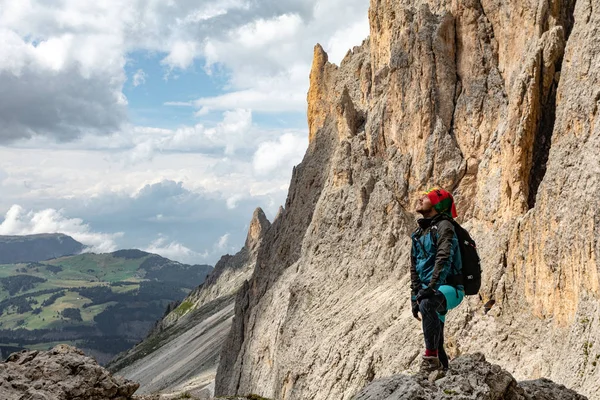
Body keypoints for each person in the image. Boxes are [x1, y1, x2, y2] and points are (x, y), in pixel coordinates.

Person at [410, 188, 465, 373]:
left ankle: (429, 360)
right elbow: (414, 267)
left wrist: (431, 289)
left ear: (436, 204)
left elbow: (444, 257)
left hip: (451, 288)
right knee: (438, 340)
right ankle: (442, 374)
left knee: (428, 303)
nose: (420, 198)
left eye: (426, 197)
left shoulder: (445, 226)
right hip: (431, 290)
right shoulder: (419, 233)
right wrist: (414, 296)